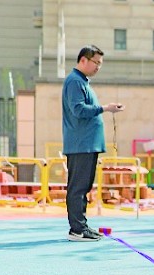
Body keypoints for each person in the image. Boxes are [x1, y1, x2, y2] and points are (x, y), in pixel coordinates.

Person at [62, 44, 125, 242]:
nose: (98, 67)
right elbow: (78, 109)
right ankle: (77, 229)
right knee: (78, 188)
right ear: (83, 60)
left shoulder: (82, 82)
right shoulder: (75, 82)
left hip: (87, 145)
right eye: (95, 62)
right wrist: (104, 108)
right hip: (81, 145)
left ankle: (81, 225)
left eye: (100, 64)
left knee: (83, 187)